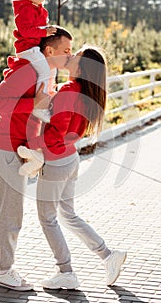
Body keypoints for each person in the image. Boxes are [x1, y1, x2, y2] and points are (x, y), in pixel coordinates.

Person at [0, 26, 73, 291]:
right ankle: (4, 271)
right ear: (49, 51)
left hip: (15, 148)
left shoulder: (47, 74)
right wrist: (34, 103)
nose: (70, 56)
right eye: (66, 50)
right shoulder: (28, 70)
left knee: (3, 207)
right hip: (6, 148)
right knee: (12, 214)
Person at [23, 46, 127, 289]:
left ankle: (66, 271)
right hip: (71, 158)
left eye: (75, 55)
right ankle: (108, 255)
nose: (70, 57)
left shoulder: (70, 90)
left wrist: (35, 148)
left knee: (47, 219)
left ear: (81, 68)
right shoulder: (82, 92)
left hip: (57, 160)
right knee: (68, 215)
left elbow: (57, 132)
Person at [12, 0, 57, 123]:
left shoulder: (41, 10)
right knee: (44, 69)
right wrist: (45, 32)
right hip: (26, 49)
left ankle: (49, 95)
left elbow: (39, 30)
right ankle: (40, 106)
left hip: (35, 48)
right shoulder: (25, 9)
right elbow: (25, 30)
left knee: (52, 67)